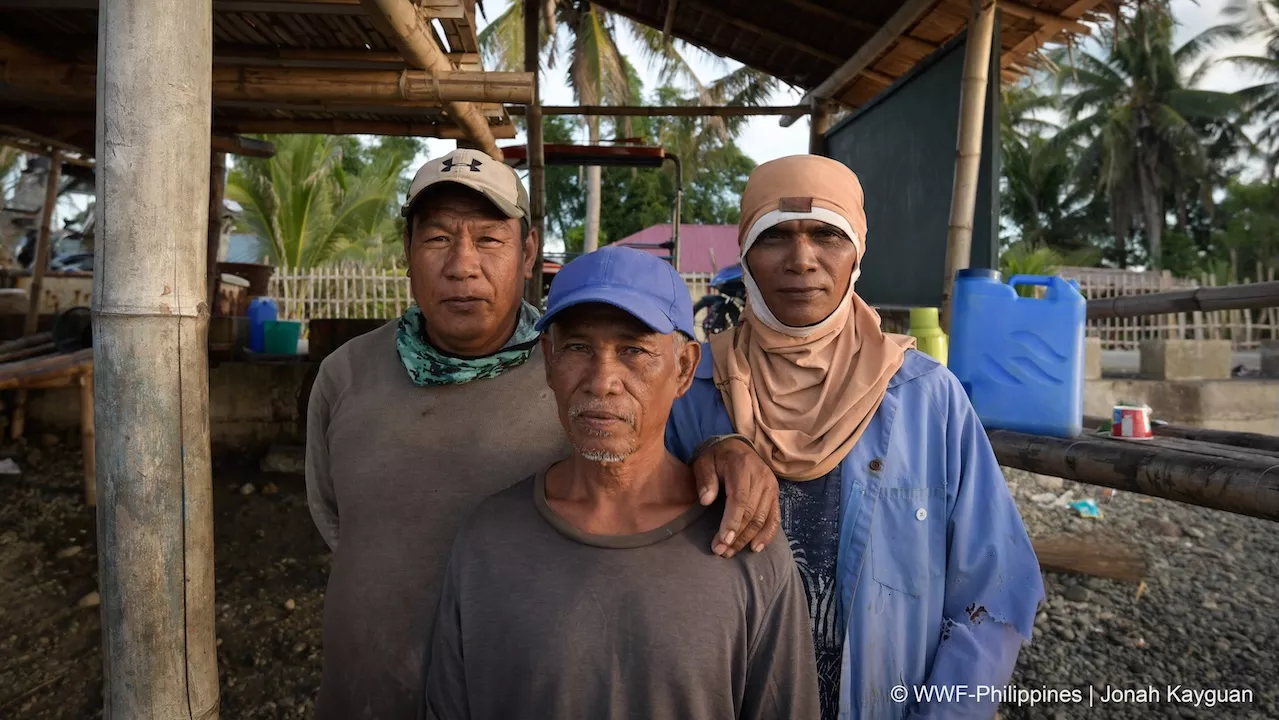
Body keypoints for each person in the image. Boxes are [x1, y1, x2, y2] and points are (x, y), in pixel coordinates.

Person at [305, 148, 782, 720]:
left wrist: (728, 448)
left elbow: (664, 459)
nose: (462, 265)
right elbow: (336, 520)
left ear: (527, 251)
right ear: (407, 250)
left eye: (488, 239)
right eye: (436, 240)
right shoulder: (345, 376)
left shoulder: (583, 380)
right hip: (366, 698)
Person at [666, 155, 1045, 720]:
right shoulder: (687, 393)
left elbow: (992, 593)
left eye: (827, 235)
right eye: (775, 237)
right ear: (745, 254)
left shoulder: (926, 398)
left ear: (858, 254)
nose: (802, 260)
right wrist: (706, 451)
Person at [423, 246, 821, 720]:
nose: (602, 379)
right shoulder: (486, 542)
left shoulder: (745, 549)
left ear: (684, 369)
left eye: (633, 350)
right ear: (548, 360)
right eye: (577, 348)